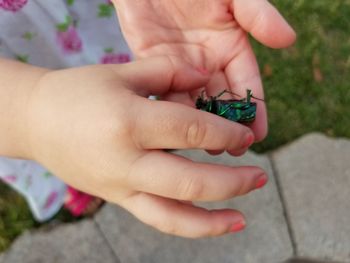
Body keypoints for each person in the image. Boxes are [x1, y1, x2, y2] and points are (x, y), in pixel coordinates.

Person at [0, 0, 295, 238]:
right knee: (68, 147)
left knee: (127, 99)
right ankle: (67, 180)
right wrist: (32, 117)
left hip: (96, 21)